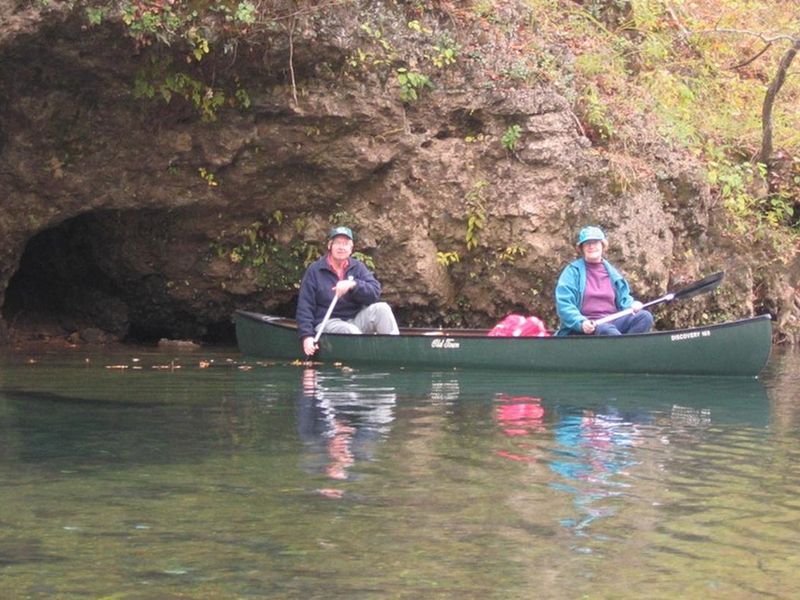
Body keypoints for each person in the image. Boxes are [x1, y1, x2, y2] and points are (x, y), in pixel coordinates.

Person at [296, 226, 399, 356]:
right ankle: (367, 358)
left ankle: (394, 352)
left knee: (382, 308)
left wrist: (353, 285)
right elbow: (305, 306)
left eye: (346, 244)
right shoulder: (315, 270)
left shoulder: (358, 267)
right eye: (338, 243)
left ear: (351, 249)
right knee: (350, 330)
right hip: (328, 322)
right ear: (330, 246)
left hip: (355, 318)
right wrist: (307, 337)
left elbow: (374, 292)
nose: (341, 247)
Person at [554, 226, 653, 336]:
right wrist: (581, 323)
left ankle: (626, 350)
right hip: (588, 326)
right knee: (607, 330)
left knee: (645, 317)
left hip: (613, 322)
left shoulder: (612, 273)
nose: (591, 246)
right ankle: (625, 350)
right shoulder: (572, 272)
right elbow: (564, 304)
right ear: (582, 248)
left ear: (602, 245)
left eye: (595, 242)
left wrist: (632, 305)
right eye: (587, 243)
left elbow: (625, 300)